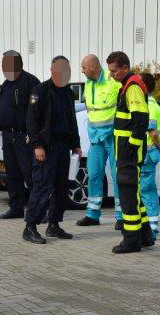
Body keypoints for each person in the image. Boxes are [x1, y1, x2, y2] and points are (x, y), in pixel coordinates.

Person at [23, 56, 83, 244]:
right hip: (46, 148)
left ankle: (54, 224)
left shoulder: (67, 92)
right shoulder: (40, 91)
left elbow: (71, 119)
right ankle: (30, 227)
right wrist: (37, 146)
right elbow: (31, 121)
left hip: (63, 147)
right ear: (51, 70)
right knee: (42, 187)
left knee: (60, 188)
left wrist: (76, 144)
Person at [105, 51, 153, 254]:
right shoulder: (127, 86)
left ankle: (131, 241)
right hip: (127, 150)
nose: (112, 75)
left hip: (129, 152)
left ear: (125, 68)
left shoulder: (132, 87)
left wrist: (131, 148)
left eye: (114, 71)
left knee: (128, 195)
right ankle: (145, 236)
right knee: (134, 195)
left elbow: (140, 119)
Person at [75, 54, 122, 228]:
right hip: (95, 138)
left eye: (83, 67)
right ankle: (92, 214)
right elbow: (90, 109)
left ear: (93, 67)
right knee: (94, 175)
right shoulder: (88, 84)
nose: (82, 70)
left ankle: (122, 216)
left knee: (119, 177)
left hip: (113, 136)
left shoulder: (113, 81)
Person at [0, 50, 41, 219]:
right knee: (12, 175)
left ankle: (38, 211)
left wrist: (32, 133)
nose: (2, 67)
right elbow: (1, 110)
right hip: (8, 136)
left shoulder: (31, 82)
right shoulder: (6, 84)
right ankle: (16, 208)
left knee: (30, 175)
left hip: (24, 137)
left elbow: (37, 111)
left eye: (5, 64)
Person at [138, 71, 160, 239]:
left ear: (145, 86)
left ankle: (152, 228)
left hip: (148, 152)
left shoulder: (150, 105)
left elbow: (153, 133)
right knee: (145, 190)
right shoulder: (148, 103)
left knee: (146, 191)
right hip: (146, 152)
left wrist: (159, 148)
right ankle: (148, 227)